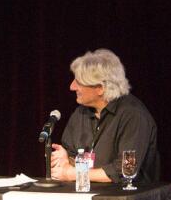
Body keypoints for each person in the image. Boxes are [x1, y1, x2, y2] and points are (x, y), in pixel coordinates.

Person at [49, 48, 159, 185]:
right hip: (87, 197)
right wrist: (66, 160)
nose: (72, 87)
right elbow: (72, 156)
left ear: (100, 88)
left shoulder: (133, 115)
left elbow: (123, 171)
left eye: (79, 82)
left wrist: (72, 173)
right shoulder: (80, 113)